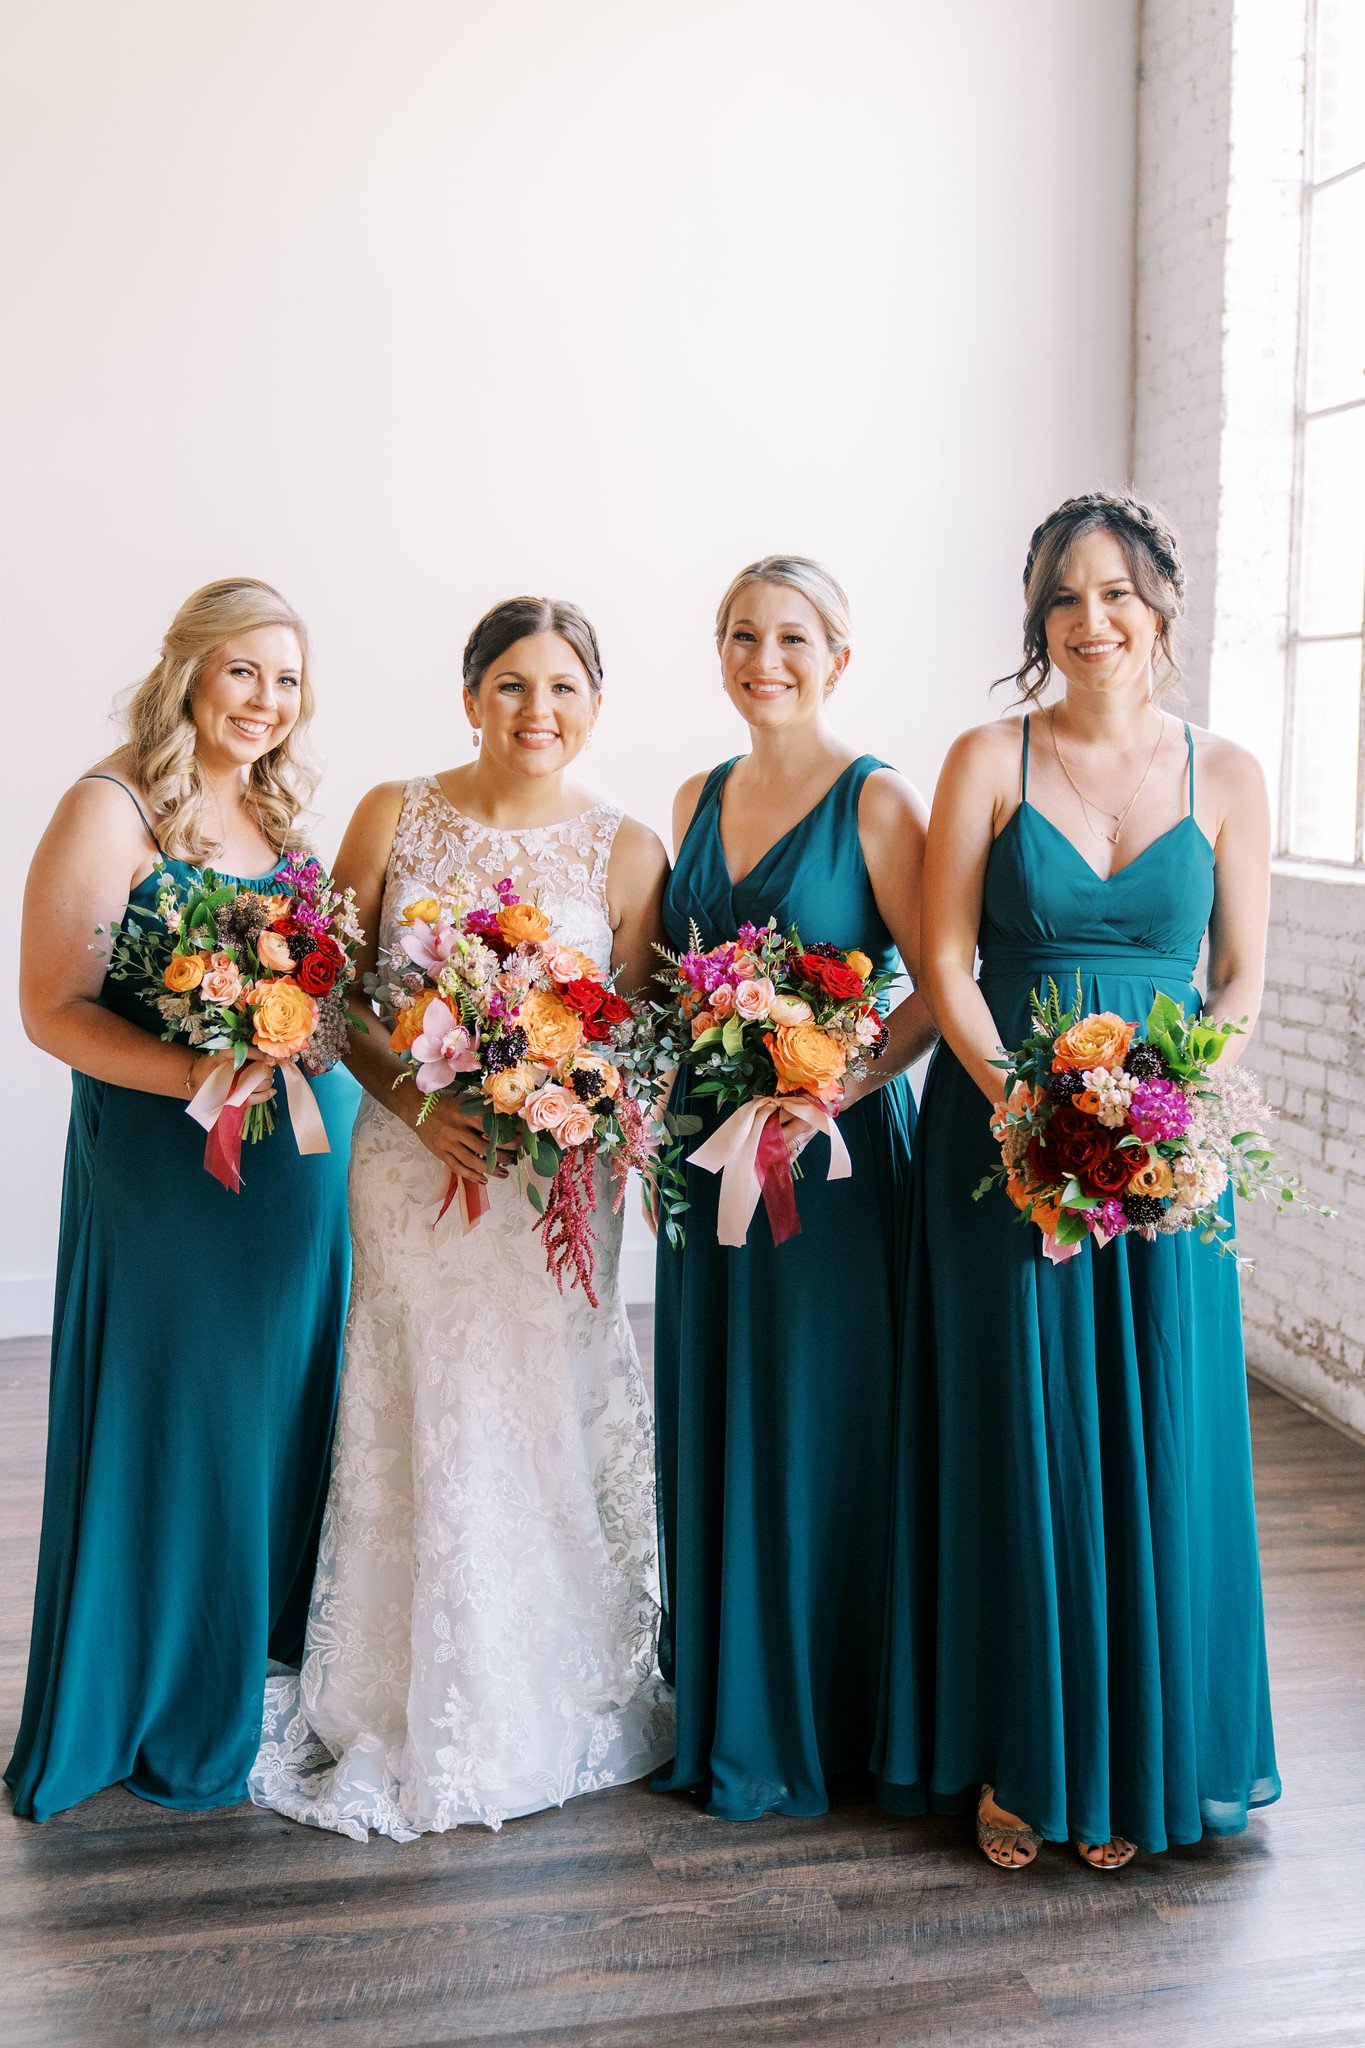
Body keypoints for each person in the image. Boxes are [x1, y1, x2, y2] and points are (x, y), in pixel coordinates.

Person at [878, 490, 1279, 1868]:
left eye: (1114, 593)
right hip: (1003, 1141)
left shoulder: (1228, 774)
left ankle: (1135, 1756)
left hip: (1165, 1150)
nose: (1088, 619)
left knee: (1158, 1431)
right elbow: (944, 960)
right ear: (1037, 618)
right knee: (1017, 1428)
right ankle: (1024, 1753)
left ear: (1162, 605)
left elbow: (1240, 977)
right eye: (1062, 597)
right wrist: (1024, 1107)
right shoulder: (987, 756)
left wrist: (1169, 1105)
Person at [249, 596, 675, 1840]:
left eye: (563, 687)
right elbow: (328, 991)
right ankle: (396, 1684)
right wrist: (415, 1102)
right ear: (471, 693)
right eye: (512, 684)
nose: (538, 710)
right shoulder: (394, 811)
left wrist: (565, 1101)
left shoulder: (628, 849)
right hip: (412, 1163)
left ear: (596, 703)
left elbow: (637, 1042)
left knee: (540, 1402)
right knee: (419, 1396)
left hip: (552, 1193)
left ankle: (548, 1675)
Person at [7, 578, 357, 1822]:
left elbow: (324, 991)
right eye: (243, 670)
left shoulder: (277, 809)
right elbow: (52, 1008)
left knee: (279, 1408)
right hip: (171, 1178)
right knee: (177, 1412)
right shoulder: (109, 807)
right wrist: (208, 1075)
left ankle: (261, 1665)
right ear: (189, 670)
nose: (266, 699)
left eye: (287, 678)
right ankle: (154, 1689)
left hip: (298, 1183)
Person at [652, 555, 934, 1820]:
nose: (764, 660)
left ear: (839, 657)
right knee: (720, 1400)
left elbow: (934, 984)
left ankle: (836, 1707)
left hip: (829, 1158)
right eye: (742, 636)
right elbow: (677, 982)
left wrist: (832, 1084)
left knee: (823, 1413)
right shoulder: (694, 796)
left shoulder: (877, 799)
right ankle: (733, 1701)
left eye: (792, 638)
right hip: (708, 1147)